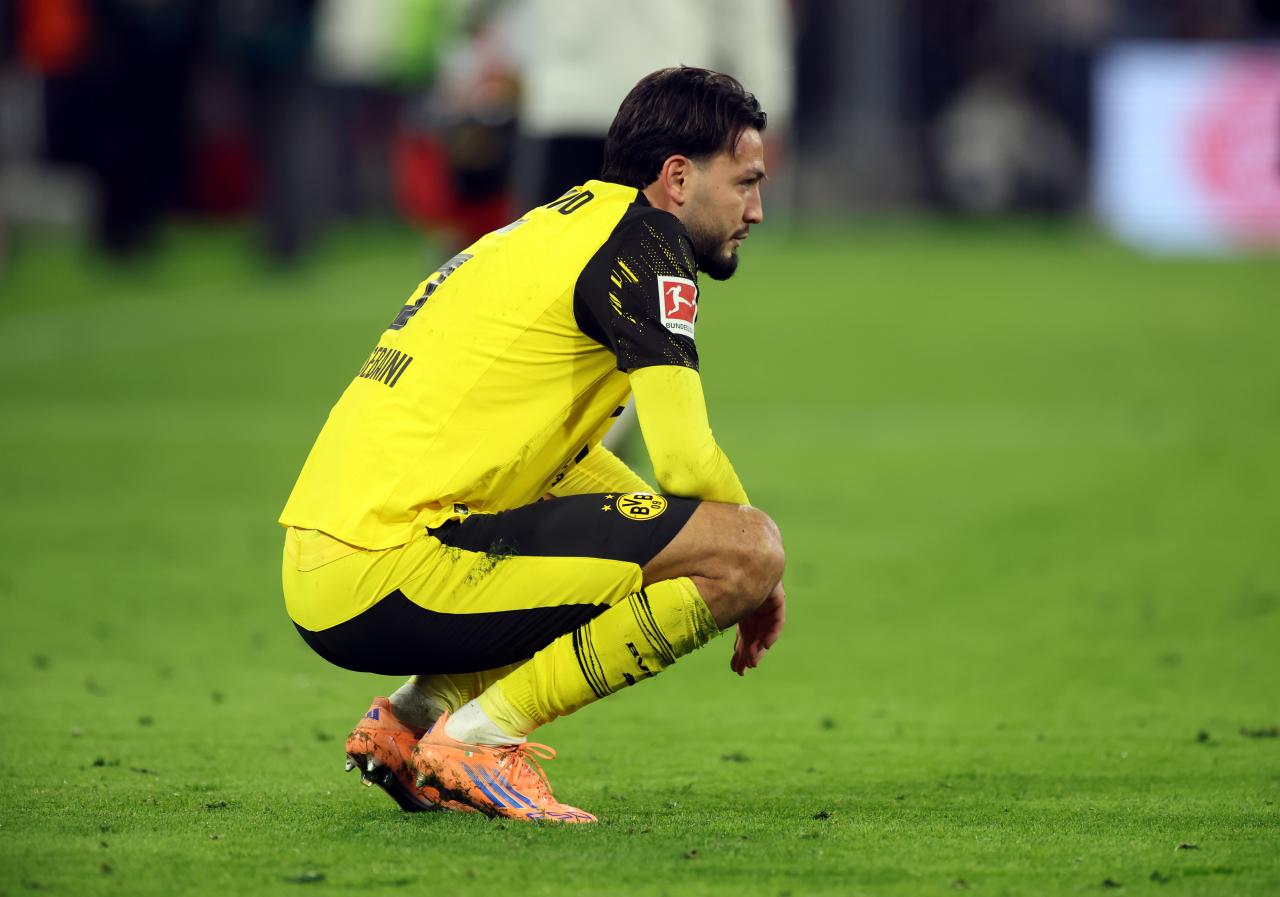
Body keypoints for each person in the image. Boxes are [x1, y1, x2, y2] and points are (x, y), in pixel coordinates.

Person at [279, 66, 786, 824]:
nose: (757, 210)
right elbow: (685, 461)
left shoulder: (556, 226)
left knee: (674, 542)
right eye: (745, 183)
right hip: (391, 569)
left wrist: (684, 538)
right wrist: (750, 564)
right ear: (678, 178)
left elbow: (561, 460)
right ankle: (481, 740)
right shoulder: (645, 246)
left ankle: (414, 720)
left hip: (328, 565)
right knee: (744, 548)